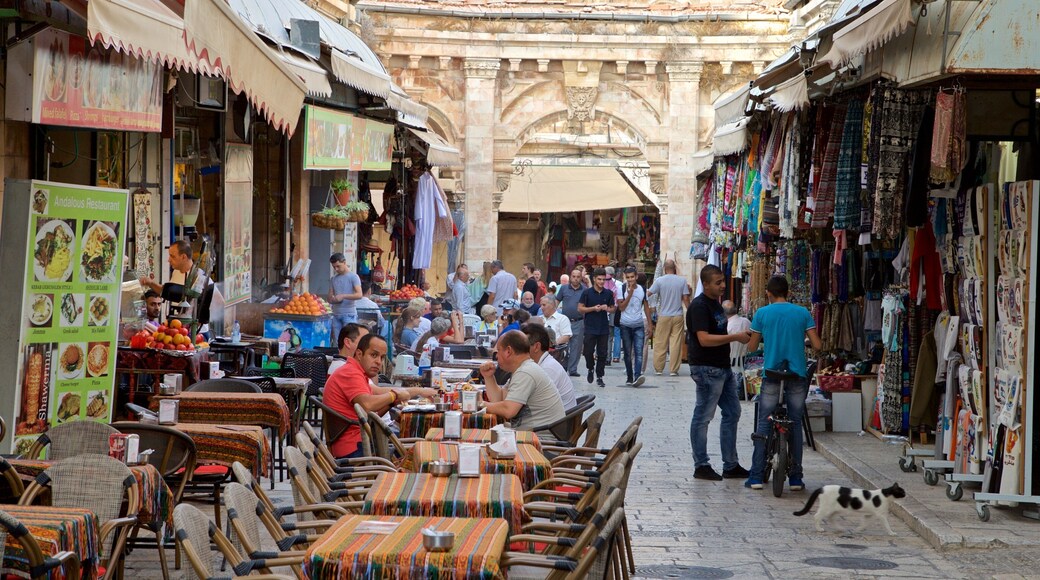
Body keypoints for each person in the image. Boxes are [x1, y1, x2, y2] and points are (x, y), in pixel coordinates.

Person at [745, 275, 822, 491]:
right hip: (796, 375)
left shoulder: (762, 313)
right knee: (796, 423)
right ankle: (796, 477)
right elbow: (817, 344)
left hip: (772, 374)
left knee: (764, 422)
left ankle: (756, 477)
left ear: (768, 292)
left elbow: (751, 348)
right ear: (788, 292)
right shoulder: (803, 313)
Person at [323, 334, 437, 458]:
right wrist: (394, 395)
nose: (378, 362)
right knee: (422, 446)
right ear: (359, 354)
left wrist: (392, 402)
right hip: (355, 448)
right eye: (374, 355)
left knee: (415, 439)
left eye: (382, 357)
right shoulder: (350, 373)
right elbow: (368, 405)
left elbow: (371, 415)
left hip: (362, 440)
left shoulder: (356, 372)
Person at [687, 265, 751, 481]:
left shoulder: (715, 304)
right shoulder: (699, 307)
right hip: (707, 368)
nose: (723, 285)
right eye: (718, 282)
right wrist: (735, 337)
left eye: (723, 281)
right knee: (703, 416)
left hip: (722, 367)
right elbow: (704, 339)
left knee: (733, 412)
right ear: (705, 284)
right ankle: (701, 465)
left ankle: (730, 464)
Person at [481, 330, 566, 431]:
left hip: (541, 439)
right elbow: (499, 400)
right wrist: (489, 377)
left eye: (498, 350)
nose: (496, 356)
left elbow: (508, 410)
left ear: (508, 351)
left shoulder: (525, 372)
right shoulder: (522, 369)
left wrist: (479, 404)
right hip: (531, 432)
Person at [649, 259, 692, 376]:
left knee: (660, 342)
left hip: (664, 315)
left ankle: (659, 368)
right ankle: (673, 370)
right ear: (675, 268)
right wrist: (691, 311)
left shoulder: (659, 281)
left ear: (664, 268)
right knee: (676, 342)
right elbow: (686, 299)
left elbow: (649, 293)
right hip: (677, 315)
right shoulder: (682, 281)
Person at [523, 323, 578, 411]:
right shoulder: (541, 363)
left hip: (558, 422)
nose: (518, 349)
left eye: (523, 346)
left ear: (536, 347)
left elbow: (528, 403)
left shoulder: (547, 368)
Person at [615, 266, 653, 387]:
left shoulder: (642, 289)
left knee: (639, 351)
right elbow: (621, 307)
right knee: (627, 352)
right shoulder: (621, 289)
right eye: (628, 278)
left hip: (638, 324)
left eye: (632, 277)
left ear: (636, 277)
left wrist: (650, 324)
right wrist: (630, 294)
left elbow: (646, 307)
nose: (630, 280)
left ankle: (638, 376)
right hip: (625, 324)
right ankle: (630, 377)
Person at [578, 268, 615, 388]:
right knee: (588, 351)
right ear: (594, 279)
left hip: (603, 327)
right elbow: (580, 308)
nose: (601, 282)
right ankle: (590, 368)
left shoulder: (608, 293)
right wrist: (593, 308)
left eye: (603, 279)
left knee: (602, 353)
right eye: (599, 279)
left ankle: (600, 376)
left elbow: (613, 308)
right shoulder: (587, 293)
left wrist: (607, 308)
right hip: (590, 327)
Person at [556, 268, 587, 377]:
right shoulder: (564, 289)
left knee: (576, 347)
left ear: (581, 278)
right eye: (573, 276)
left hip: (578, 321)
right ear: (570, 277)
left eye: (578, 277)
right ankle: (563, 367)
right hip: (565, 321)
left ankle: (573, 369)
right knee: (563, 346)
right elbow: (556, 301)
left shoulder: (585, 289)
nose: (575, 279)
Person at [328, 253, 363, 344]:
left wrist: (343, 296)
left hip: (349, 314)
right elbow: (329, 296)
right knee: (337, 342)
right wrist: (332, 299)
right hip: (336, 314)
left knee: (350, 341)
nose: (336, 269)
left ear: (344, 263)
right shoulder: (333, 279)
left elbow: (359, 294)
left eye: (338, 266)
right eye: (334, 267)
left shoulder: (353, 277)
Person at [603, 266, 621, 364]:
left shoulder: (603, 283)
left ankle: (607, 357)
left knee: (609, 335)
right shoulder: (618, 284)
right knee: (616, 334)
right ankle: (615, 356)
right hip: (615, 311)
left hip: (609, 311)